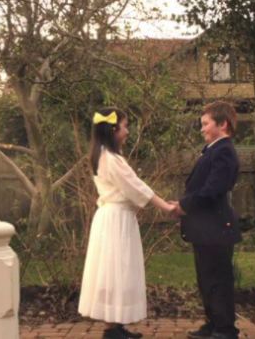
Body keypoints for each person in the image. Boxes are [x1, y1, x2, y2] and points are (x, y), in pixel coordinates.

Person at [79, 107, 177, 339]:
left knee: (115, 271)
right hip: (115, 220)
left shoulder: (106, 155)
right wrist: (166, 206)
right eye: (124, 126)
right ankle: (110, 330)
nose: (128, 131)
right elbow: (136, 186)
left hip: (114, 218)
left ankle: (114, 325)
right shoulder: (110, 159)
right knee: (115, 270)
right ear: (112, 129)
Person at [170, 101, 242, 339]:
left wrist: (184, 206)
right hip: (206, 229)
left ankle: (225, 329)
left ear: (222, 124)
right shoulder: (213, 149)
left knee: (218, 279)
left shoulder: (223, 151)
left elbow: (214, 189)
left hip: (216, 228)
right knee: (207, 279)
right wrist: (183, 204)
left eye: (205, 124)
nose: (202, 129)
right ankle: (213, 323)